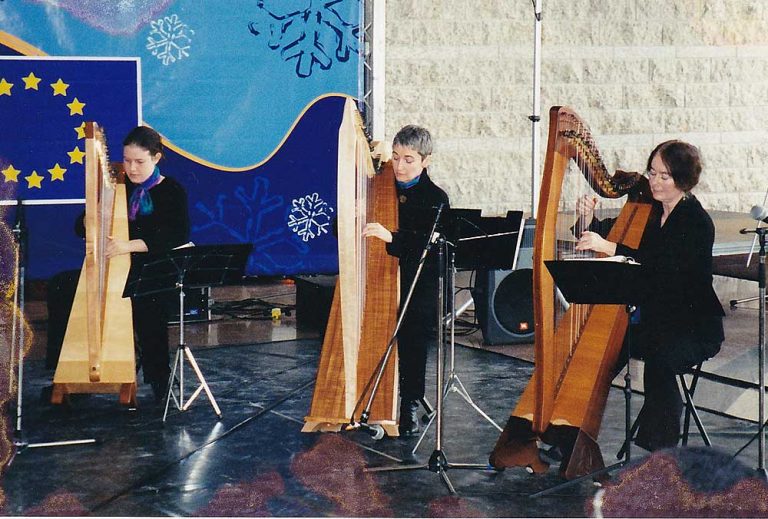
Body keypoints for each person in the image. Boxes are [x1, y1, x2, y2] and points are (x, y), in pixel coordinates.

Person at [574, 140, 724, 451]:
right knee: (599, 355)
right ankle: (569, 436)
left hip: (693, 326)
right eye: (651, 173)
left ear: (683, 180)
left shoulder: (696, 222)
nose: (653, 181)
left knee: (660, 358)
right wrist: (587, 220)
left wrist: (610, 248)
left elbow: (665, 271)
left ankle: (661, 455)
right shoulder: (648, 211)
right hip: (654, 320)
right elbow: (605, 234)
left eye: (663, 176)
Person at [49, 125, 190, 402]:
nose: (132, 168)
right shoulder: (116, 189)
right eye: (127, 160)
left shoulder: (171, 190)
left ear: (157, 158)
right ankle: (69, 372)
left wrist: (128, 245)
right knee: (61, 285)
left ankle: (158, 376)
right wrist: (95, 210)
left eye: (139, 161)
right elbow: (81, 227)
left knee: (149, 299)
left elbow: (176, 235)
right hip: (115, 268)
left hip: (152, 268)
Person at [362, 125, 450, 436]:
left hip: (418, 284)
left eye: (409, 159)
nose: (399, 166)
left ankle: (409, 403)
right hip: (379, 278)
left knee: (413, 335)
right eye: (396, 157)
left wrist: (391, 238)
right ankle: (363, 396)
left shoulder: (435, 198)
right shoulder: (377, 187)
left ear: (426, 161)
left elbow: (424, 245)